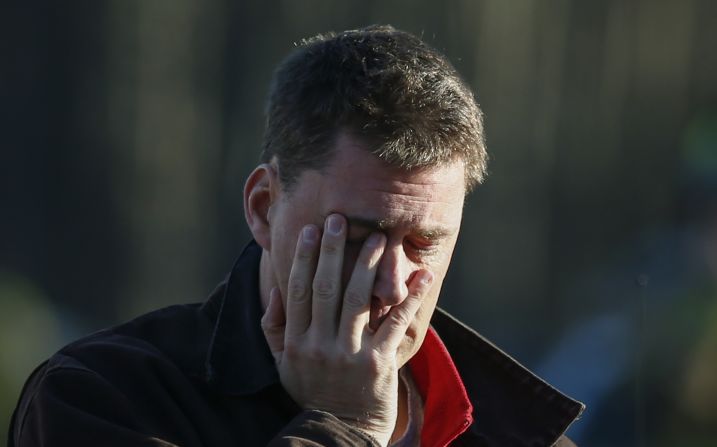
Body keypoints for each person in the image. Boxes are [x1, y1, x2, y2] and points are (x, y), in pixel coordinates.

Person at [9, 25, 584, 446]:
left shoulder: (525, 437)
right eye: (358, 235)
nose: (390, 282)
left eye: (422, 244)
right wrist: (345, 425)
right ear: (263, 207)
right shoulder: (105, 398)